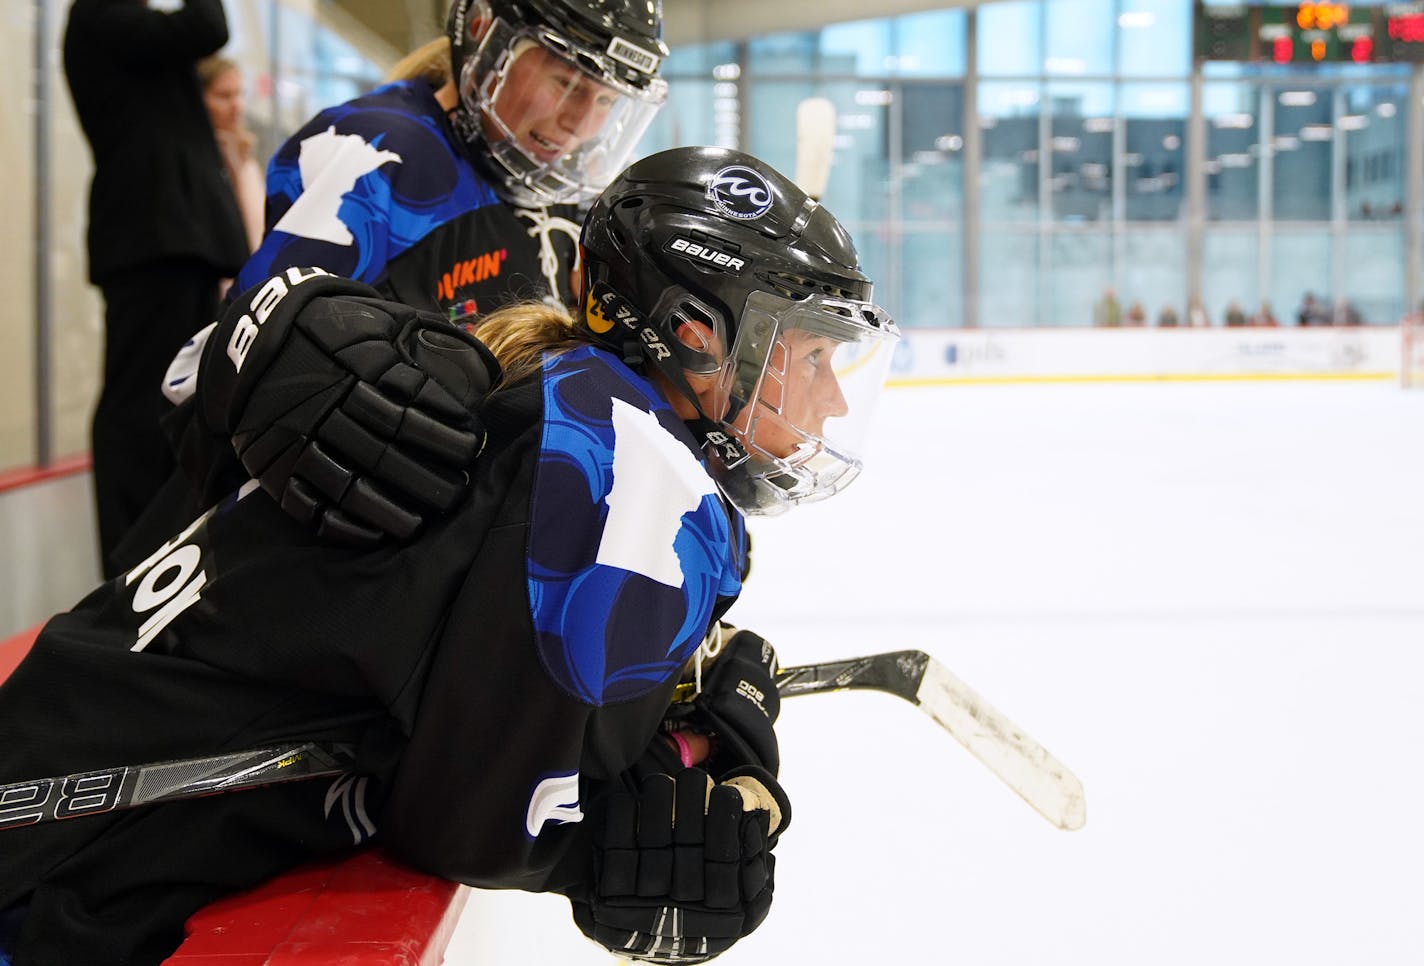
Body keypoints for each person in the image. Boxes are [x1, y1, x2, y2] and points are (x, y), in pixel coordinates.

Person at [0, 146, 900, 965]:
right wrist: (691, 790)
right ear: (697, 332)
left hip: (54, 750)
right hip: (57, 853)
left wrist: (690, 693)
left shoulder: (563, 399)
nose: (829, 404)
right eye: (810, 355)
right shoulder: (635, 471)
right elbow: (485, 822)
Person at [110, 0, 671, 569]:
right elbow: (214, 364)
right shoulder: (378, 151)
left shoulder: (557, 193)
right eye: (565, 81)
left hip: (431, 555)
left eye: (605, 99)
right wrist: (316, 400)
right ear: (485, 36)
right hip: (279, 557)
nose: (583, 123)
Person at [63, 0, 251, 577]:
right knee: (139, 406)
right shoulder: (101, 15)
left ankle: (162, 556)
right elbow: (206, 26)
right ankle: (127, 565)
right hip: (153, 240)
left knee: (179, 407)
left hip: (176, 239)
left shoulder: (129, 31)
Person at [198, 54, 265, 259]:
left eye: (239, 94)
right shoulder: (201, 161)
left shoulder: (245, 154)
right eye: (224, 96)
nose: (237, 105)